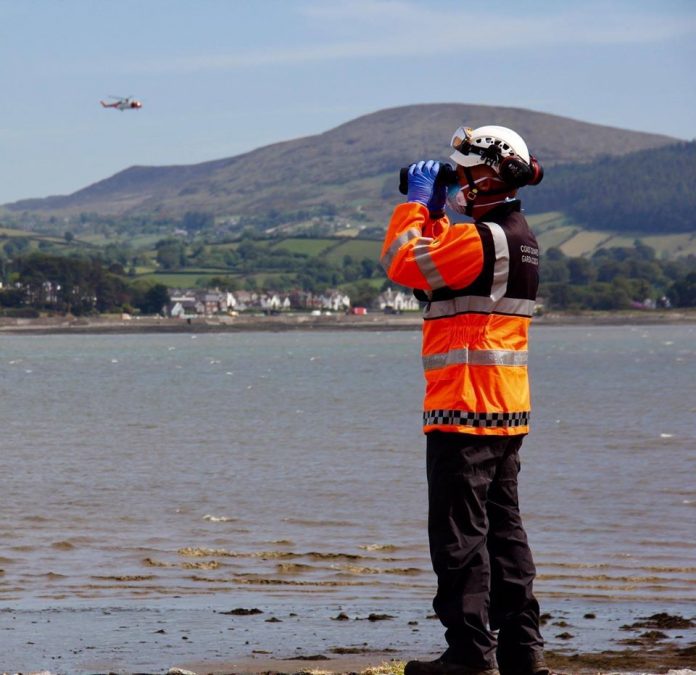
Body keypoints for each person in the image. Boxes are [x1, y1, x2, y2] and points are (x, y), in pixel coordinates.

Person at [380, 125, 548, 675]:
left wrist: (415, 207)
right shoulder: (519, 238)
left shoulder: (475, 239)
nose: (461, 183)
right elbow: (436, 282)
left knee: (458, 539)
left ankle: (470, 655)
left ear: (494, 172)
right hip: (506, 410)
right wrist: (437, 210)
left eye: (466, 172)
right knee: (505, 535)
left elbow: (405, 263)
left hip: (463, 410)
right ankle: (524, 653)